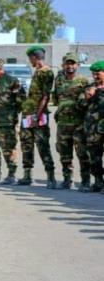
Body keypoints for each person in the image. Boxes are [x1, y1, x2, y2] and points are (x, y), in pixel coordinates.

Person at [18, 45, 56, 188]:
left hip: (38, 116)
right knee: (26, 144)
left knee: (42, 145)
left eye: (30, 58)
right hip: (28, 115)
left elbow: (46, 96)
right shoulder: (37, 72)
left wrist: (37, 116)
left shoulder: (46, 72)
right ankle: (27, 175)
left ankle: (51, 177)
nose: (30, 61)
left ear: (35, 57)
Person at [52, 53, 91, 191]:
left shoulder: (84, 81)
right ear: (63, 65)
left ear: (78, 65)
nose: (70, 66)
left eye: (73, 63)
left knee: (82, 153)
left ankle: (85, 182)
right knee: (64, 154)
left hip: (79, 124)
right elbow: (56, 99)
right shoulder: (58, 80)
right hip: (63, 124)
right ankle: (67, 180)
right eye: (67, 63)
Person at [0, 58, 25, 185]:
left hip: (7, 121)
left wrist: (12, 115)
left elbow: (21, 100)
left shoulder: (11, 81)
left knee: (8, 148)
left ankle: (11, 174)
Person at [80, 61, 104, 193]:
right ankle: (98, 182)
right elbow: (80, 106)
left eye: (98, 74)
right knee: (94, 157)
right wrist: (88, 97)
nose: (95, 76)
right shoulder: (89, 88)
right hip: (93, 129)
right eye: (93, 74)